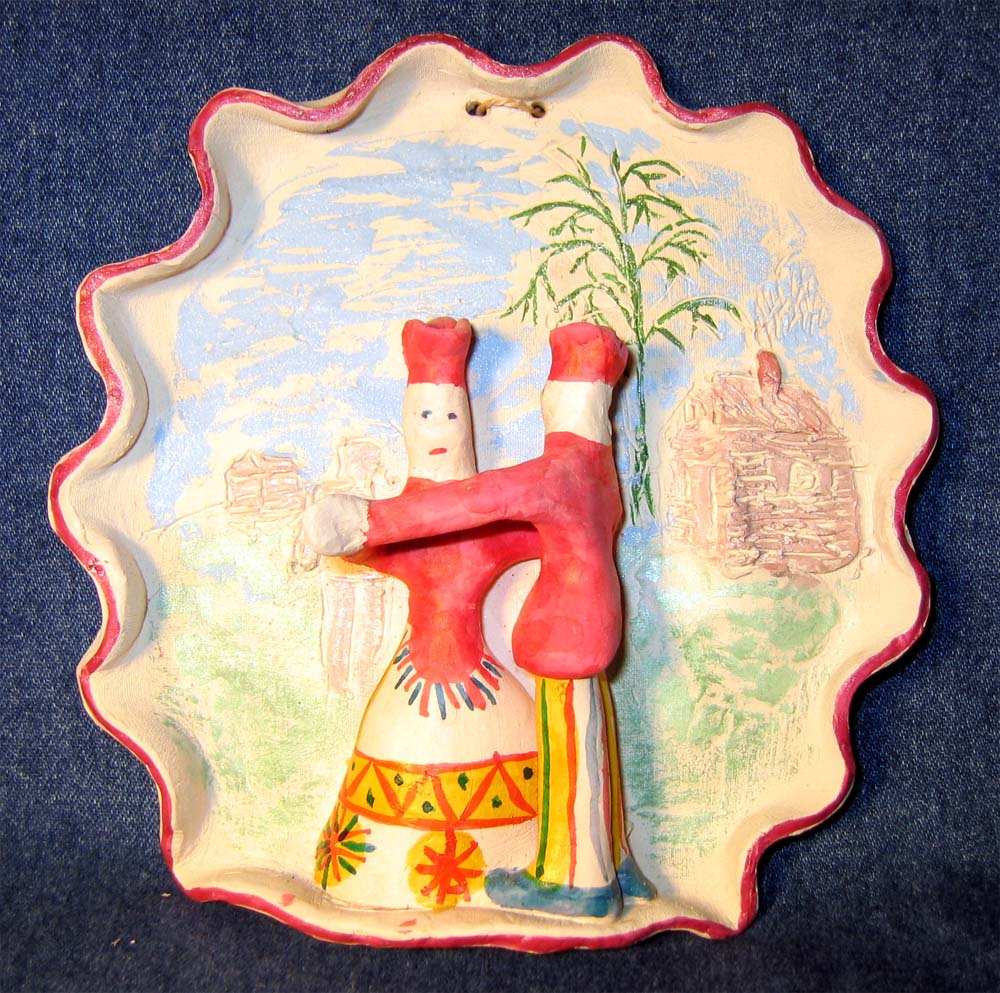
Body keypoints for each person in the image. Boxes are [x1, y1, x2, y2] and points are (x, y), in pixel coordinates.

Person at [303, 322, 654, 918]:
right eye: (428, 416)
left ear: (559, 402)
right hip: (582, 631)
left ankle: (580, 881)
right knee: (591, 746)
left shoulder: (561, 470)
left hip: (566, 635)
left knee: (572, 755)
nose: (442, 430)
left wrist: (367, 521)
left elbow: (478, 502)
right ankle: (616, 862)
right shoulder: (598, 472)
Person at [297, 317, 541, 911]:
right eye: (425, 415)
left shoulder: (489, 512)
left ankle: (516, 861)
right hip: (416, 673)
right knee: (400, 753)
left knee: (507, 755)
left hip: (479, 679)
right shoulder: (396, 514)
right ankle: (373, 874)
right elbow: (355, 540)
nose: (438, 429)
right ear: (407, 423)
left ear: (469, 423)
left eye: (451, 415)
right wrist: (330, 530)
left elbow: (536, 535)